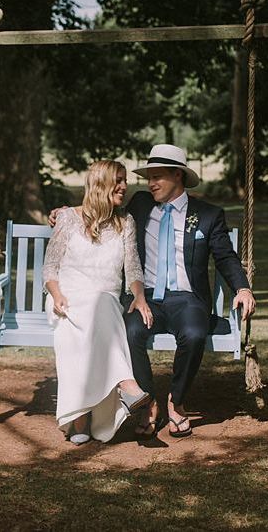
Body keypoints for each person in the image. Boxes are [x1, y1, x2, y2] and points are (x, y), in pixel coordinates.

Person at [125, 144, 256, 438]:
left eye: (158, 176)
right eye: (149, 177)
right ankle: (148, 403)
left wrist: (243, 288)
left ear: (178, 175)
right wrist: (66, 213)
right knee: (131, 331)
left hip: (188, 299)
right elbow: (103, 215)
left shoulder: (208, 215)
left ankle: (176, 400)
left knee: (195, 334)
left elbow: (225, 256)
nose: (151, 183)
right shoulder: (140, 205)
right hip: (146, 296)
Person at [42, 160, 152, 445]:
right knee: (91, 317)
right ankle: (125, 386)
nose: (125, 186)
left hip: (104, 301)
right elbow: (50, 268)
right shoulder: (67, 218)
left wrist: (139, 296)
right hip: (67, 300)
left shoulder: (125, 222)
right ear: (100, 184)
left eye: (125, 180)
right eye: (118, 180)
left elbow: (133, 267)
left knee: (101, 307)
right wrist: (56, 295)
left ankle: (83, 417)